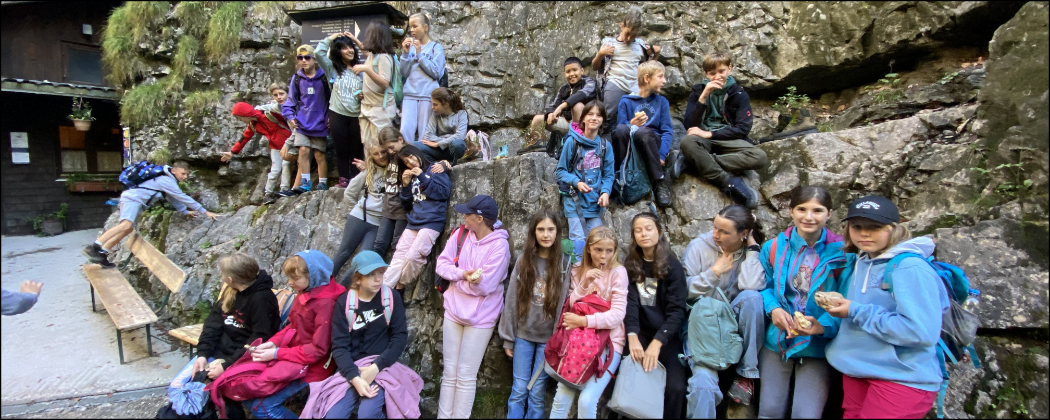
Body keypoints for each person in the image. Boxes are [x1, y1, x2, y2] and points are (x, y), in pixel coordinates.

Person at [825, 195, 949, 419]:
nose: (864, 233)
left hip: (901, 377)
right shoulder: (862, 261)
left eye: (875, 227)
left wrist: (856, 310)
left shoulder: (910, 267)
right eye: (857, 226)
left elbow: (920, 331)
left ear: (894, 229)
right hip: (857, 369)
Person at [758, 186, 847, 419]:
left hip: (818, 344)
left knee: (806, 414)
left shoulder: (842, 253)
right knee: (769, 411)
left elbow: (848, 299)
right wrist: (773, 309)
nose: (809, 217)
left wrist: (822, 325)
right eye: (801, 209)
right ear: (791, 211)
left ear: (829, 214)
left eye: (817, 210)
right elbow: (763, 286)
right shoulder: (773, 248)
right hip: (778, 339)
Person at [241, 250, 346, 419]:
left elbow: (318, 350)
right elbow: (293, 325)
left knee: (262, 407)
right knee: (247, 394)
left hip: (312, 367)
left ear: (314, 276)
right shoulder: (306, 291)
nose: (290, 283)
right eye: (289, 277)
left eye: (295, 278)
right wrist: (273, 343)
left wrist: (276, 353)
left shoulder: (326, 304)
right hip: (293, 355)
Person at [682, 205, 766, 417]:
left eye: (724, 231)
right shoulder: (698, 247)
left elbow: (751, 287)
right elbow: (682, 291)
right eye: (715, 227)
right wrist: (714, 272)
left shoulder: (749, 251)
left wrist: (752, 250)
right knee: (702, 385)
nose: (715, 235)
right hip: (703, 327)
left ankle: (746, 374)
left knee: (753, 298)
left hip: (733, 325)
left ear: (743, 233)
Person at [173, 253, 280, 416]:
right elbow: (212, 326)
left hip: (243, 358)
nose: (221, 276)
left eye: (222, 274)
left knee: (221, 391)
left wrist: (226, 366)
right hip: (219, 353)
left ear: (230, 279)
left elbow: (259, 340)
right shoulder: (231, 291)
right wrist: (202, 354)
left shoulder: (262, 299)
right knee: (177, 386)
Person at [434, 195, 511, 419]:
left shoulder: (500, 246)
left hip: (481, 317)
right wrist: (462, 275)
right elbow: (441, 264)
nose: (463, 217)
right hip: (453, 311)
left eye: (467, 214)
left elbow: (486, 286)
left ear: (479, 218)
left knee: (466, 375)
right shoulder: (460, 235)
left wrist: (457, 282)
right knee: (449, 372)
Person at [549, 226, 628, 419]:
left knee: (587, 400)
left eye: (609, 251)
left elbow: (618, 315)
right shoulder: (578, 269)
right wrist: (585, 283)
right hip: (578, 341)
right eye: (598, 250)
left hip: (609, 343)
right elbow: (570, 305)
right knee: (562, 397)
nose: (604, 256)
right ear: (589, 249)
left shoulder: (618, 272)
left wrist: (584, 320)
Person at [498, 209, 570, 419]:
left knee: (537, 393)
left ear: (557, 232)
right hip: (523, 335)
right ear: (533, 232)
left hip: (548, 340)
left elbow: (564, 305)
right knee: (519, 389)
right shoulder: (524, 260)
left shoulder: (564, 264)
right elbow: (512, 299)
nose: (546, 234)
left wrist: (557, 341)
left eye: (550, 229)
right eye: (541, 229)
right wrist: (508, 337)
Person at [322, 251, 412, 419]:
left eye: (381, 273)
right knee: (333, 416)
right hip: (352, 368)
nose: (378, 279)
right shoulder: (345, 302)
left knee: (368, 414)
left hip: (381, 366)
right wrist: (354, 378)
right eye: (371, 275)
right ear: (358, 279)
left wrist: (375, 367)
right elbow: (339, 346)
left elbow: (399, 337)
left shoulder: (391, 298)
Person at [82, 159, 220, 267]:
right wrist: (205, 211)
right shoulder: (166, 180)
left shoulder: (168, 180)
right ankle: (95, 246)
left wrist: (184, 211)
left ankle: (102, 254)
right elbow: (182, 197)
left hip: (134, 200)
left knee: (127, 228)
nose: (185, 177)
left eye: (187, 174)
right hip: (132, 200)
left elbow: (173, 198)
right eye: (183, 173)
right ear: (174, 170)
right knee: (125, 225)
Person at [677, 50, 767, 209]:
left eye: (721, 71)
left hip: (729, 139)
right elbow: (690, 125)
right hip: (702, 140)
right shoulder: (697, 92)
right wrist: (703, 96)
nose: (717, 76)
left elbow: (743, 128)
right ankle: (728, 182)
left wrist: (710, 134)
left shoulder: (738, 94)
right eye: (712, 73)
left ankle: (695, 162)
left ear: (729, 69)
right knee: (686, 142)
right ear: (706, 74)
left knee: (760, 157)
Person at [623, 212, 688, 418]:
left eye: (648, 229)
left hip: (667, 336)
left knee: (676, 387)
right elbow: (630, 304)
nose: (644, 234)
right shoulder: (631, 264)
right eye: (638, 230)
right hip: (639, 332)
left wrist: (658, 341)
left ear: (659, 231)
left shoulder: (673, 266)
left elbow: (677, 311)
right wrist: (632, 335)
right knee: (632, 379)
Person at [382, 145, 451, 293]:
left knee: (414, 256)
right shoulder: (411, 175)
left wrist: (422, 176)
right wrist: (406, 185)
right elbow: (406, 204)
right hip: (414, 221)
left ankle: (399, 288)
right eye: (406, 162)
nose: (411, 162)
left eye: (411, 156)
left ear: (417, 153)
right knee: (399, 256)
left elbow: (442, 193)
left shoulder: (435, 169)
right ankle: (385, 291)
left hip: (432, 222)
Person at [374, 127, 448, 259]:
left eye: (391, 147)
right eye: (387, 150)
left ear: (400, 139)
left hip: (406, 211)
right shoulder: (392, 157)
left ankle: (395, 271)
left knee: (398, 245)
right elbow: (375, 159)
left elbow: (433, 161)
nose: (390, 152)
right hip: (390, 207)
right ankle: (380, 271)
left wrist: (444, 164)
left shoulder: (414, 152)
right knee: (380, 244)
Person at [611, 60, 675, 207]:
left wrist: (662, 154)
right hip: (631, 146)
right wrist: (631, 124)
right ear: (647, 78)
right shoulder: (626, 101)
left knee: (643, 132)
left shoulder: (661, 101)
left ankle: (659, 181)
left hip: (651, 142)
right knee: (620, 129)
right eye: (660, 76)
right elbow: (621, 129)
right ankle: (619, 177)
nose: (664, 81)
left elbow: (666, 130)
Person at [555, 101, 614, 243]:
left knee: (597, 242)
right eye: (590, 114)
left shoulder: (605, 146)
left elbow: (609, 175)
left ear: (603, 121)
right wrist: (577, 182)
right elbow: (560, 171)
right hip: (574, 201)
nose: (594, 118)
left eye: (598, 115)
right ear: (583, 119)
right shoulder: (572, 142)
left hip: (595, 203)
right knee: (579, 242)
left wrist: (605, 192)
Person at [592, 6, 659, 129]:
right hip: (615, 82)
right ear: (622, 26)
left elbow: (650, 67)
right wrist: (600, 54)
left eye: (632, 36)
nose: (628, 39)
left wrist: (655, 53)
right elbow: (595, 67)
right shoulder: (609, 43)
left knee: (641, 118)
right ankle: (603, 138)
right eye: (627, 33)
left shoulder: (640, 45)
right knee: (607, 116)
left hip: (635, 85)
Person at [331, 144, 388, 280]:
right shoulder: (368, 172)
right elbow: (349, 193)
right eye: (376, 154)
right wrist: (358, 209)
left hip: (378, 224)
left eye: (383, 152)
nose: (380, 156)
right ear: (371, 157)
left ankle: (343, 289)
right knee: (343, 253)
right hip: (359, 218)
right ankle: (322, 285)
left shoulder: (395, 171)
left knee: (363, 260)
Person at [316, 31, 365, 187]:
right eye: (344, 48)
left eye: (350, 47)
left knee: (357, 149)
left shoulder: (361, 70)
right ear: (338, 51)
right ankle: (343, 179)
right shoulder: (333, 68)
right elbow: (318, 53)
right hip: (337, 113)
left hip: (357, 114)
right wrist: (332, 37)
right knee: (341, 148)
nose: (349, 50)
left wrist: (363, 95)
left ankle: (356, 180)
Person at [520, 57, 597, 154]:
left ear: (582, 71)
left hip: (584, 124)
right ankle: (538, 143)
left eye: (575, 70)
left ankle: (580, 140)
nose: (571, 74)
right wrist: (550, 114)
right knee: (538, 119)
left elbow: (581, 95)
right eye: (568, 71)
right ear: (565, 74)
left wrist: (561, 107)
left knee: (577, 106)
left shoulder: (589, 82)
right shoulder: (563, 88)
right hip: (567, 123)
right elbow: (553, 105)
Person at [221, 100, 294, 200]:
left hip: (289, 143)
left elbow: (286, 116)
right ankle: (268, 194)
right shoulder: (252, 125)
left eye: (239, 117)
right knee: (275, 170)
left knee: (286, 164)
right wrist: (232, 152)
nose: (240, 120)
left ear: (244, 114)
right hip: (275, 146)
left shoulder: (268, 113)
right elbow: (244, 138)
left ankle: (284, 190)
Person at [283, 44, 331, 195]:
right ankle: (305, 182)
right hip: (302, 122)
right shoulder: (297, 78)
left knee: (319, 153)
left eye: (307, 57)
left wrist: (330, 116)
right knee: (303, 150)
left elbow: (333, 99)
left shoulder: (324, 77)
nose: (304, 61)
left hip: (320, 121)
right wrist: (290, 116)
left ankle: (322, 182)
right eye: (300, 58)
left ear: (314, 59)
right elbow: (290, 100)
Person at [399, 12, 447, 143]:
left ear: (425, 27)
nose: (412, 30)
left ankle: (423, 156)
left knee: (425, 133)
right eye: (410, 27)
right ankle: (407, 155)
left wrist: (420, 55)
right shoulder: (410, 48)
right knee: (405, 131)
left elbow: (436, 72)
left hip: (427, 95)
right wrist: (405, 54)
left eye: (415, 26)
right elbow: (403, 73)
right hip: (410, 94)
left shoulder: (436, 48)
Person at [355, 22, 398, 147]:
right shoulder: (373, 55)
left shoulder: (384, 57)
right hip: (368, 108)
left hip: (380, 111)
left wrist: (366, 69)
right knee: (368, 146)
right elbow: (365, 51)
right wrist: (354, 40)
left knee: (380, 146)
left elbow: (385, 83)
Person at [412, 87, 469, 164]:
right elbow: (428, 136)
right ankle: (435, 165)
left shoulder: (461, 114)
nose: (432, 107)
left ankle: (453, 164)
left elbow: (460, 136)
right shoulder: (435, 115)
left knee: (457, 143)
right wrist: (442, 142)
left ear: (446, 105)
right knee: (415, 145)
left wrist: (439, 143)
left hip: (452, 149)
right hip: (438, 150)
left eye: (435, 104)